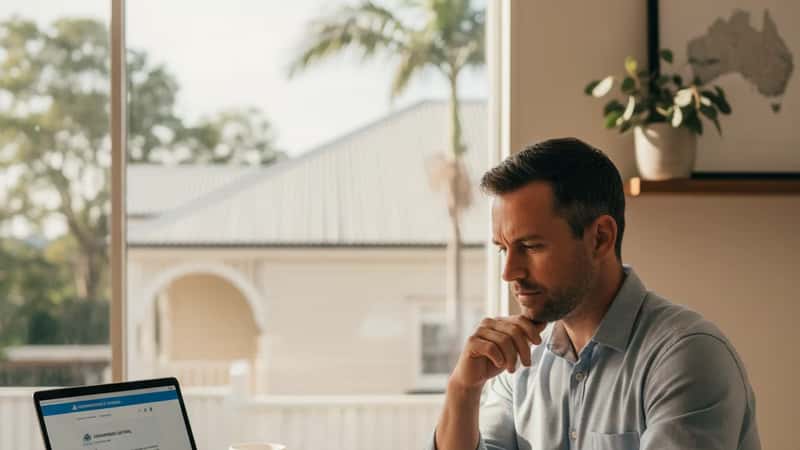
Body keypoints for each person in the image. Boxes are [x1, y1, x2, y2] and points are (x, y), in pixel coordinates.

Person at [431, 138, 760, 450]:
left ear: (600, 238)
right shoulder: (520, 365)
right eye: (503, 249)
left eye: (530, 246)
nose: (509, 272)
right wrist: (463, 389)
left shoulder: (686, 357)